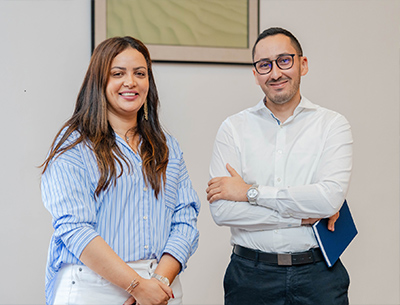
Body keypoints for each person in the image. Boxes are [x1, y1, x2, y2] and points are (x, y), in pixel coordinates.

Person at [41, 36, 200, 305]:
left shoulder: (167, 146)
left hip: (160, 287)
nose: (131, 82)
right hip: (93, 287)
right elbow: (75, 228)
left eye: (140, 73)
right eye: (118, 73)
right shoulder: (73, 146)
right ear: (99, 82)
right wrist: (136, 286)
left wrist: (158, 283)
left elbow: (185, 218)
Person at [206, 27, 353, 305]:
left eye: (284, 60)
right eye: (264, 65)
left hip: (319, 275)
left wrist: (250, 192)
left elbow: (328, 199)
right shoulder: (233, 129)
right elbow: (223, 210)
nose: (275, 73)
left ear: (302, 64)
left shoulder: (332, 125)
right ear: (255, 74)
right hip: (249, 276)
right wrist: (300, 217)